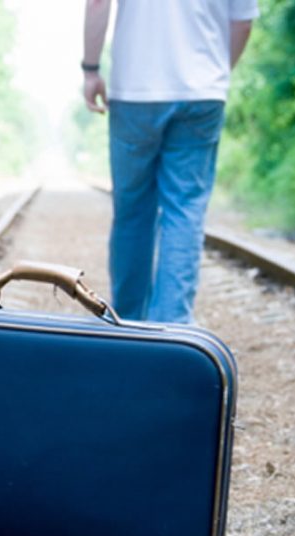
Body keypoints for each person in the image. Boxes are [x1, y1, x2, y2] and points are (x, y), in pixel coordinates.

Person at [82, 0, 258, 324]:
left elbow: (97, 3)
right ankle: (173, 327)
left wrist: (91, 70)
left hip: (135, 90)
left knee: (132, 210)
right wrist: (215, 71)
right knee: (185, 210)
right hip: (203, 92)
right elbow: (243, 22)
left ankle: (128, 323)